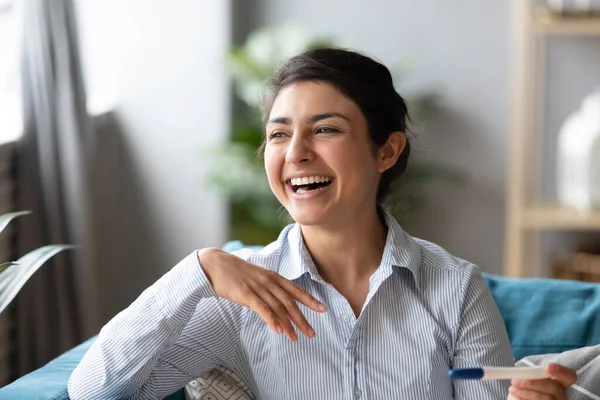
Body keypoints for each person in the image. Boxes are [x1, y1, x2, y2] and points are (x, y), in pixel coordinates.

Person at [68, 48, 577, 399]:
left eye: (325, 129)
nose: (296, 153)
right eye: (278, 134)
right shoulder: (240, 301)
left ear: (386, 150)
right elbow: (93, 391)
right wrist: (198, 270)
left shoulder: (456, 288)